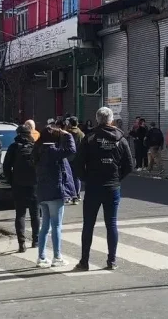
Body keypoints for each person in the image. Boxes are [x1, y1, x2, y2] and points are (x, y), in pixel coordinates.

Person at [75, 107, 133, 271]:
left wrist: (86, 178)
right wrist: (117, 178)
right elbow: (129, 165)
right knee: (111, 224)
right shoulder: (120, 138)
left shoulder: (90, 137)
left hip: (93, 186)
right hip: (112, 187)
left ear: (97, 119)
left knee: (88, 224)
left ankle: (84, 261)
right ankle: (111, 261)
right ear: (111, 120)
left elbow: (78, 164)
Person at [34, 126, 76, 267]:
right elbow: (71, 150)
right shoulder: (52, 151)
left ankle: (41, 257)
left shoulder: (38, 150)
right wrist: (68, 135)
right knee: (56, 225)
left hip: (42, 193)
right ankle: (57, 257)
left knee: (45, 226)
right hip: (55, 192)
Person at [3, 124, 39, 252]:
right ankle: (36, 240)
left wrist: (12, 181)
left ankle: (21, 244)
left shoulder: (13, 147)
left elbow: (6, 167)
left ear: (18, 134)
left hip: (18, 184)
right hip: (34, 185)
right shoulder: (35, 146)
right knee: (35, 214)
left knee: (20, 214)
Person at [65, 116, 85, 204]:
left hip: (68, 157)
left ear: (69, 123)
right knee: (76, 178)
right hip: (78, 158)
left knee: (68, 177)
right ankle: (76, 196)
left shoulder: (66, 133)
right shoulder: (81, 134)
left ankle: (69, 195)